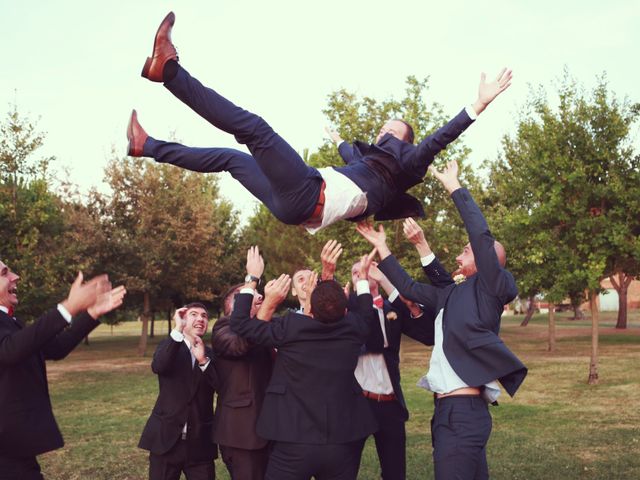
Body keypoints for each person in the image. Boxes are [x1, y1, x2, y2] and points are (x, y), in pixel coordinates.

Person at [127, 12, 512, 233]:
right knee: (231, 159)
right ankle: (148, 146)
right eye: (382, 129)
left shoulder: (408, 164)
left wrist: (477, 105)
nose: (382, 133)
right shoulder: (369, 165)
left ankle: (170, 72)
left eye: (391, 131)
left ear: (404, 143)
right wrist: (340, 140)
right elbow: (352, 155)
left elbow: (435, 141)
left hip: (308, 194)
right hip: (293, 205)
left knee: (254, 129)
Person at [356, 160, 528, 480]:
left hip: (462, 414)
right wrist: (383, 247)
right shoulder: (454, 294)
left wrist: (454, 186)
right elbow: (409, 288)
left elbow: (479, 233)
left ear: (488, 262)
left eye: (467, 250)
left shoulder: (492, 287)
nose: (461, 252)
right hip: (449, 414)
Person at [229, 246, 381, 479]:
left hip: (294, 439)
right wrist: (361, 280)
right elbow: (364, 314)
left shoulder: (289, 327)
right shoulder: (353, 327)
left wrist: (252, 278)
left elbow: (240, 324)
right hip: (343, 439)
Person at [0, 261, 126, 480]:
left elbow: (55, 348)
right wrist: (68, 307)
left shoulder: (10, 321)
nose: (15, 276)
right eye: (4, 273)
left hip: (15, 448)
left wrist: (92, 313)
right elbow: (9, 351)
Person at [138, 303, 219, 480]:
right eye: (194, 314)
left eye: (204, 316)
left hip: (200, 444)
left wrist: (203, 360)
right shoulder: (170, 346)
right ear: (183, 319)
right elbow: (159, 366)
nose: (200, 319)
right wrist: (177, 329)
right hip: (166, 441)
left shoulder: (212, 354)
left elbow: (221, 387)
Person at [210, 283, 272, 480]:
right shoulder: (223, 327)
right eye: (255, 295)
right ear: (236, 303)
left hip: (274, 429)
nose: (262, 297)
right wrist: (269, 305)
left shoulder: (270, 325)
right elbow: (240, 345)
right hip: (242, 435)